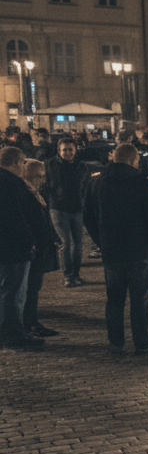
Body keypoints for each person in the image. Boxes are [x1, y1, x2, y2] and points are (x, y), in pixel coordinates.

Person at [86, 144, 148, 354]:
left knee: (114, 300)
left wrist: (100, 240)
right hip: (140, 251)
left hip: (111, 251)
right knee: (139, 301)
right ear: (134, 160)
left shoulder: (97, 183)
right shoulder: (142, 184)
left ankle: (116, 343)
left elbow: (88, 216)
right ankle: (142, 342)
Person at [0, 147, 45, 349]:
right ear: (17, 162)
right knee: (14, 293)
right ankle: (14, 335)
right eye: (23, 163)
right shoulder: (11, 184)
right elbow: (16, 218)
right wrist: (29, 242)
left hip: (7, 247)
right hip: (14, 249)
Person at [44, 137, 92, 287]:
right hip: (58, 208)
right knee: (66, 243)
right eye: (65, 150)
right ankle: (68, 276)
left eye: (70, 149)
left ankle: (75, 274)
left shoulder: (82, 166)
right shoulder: (50, 165)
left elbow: (86, 186)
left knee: (78, 244)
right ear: (59, 151)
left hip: (77, 208)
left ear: (75, 150)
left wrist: (84, 202)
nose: (68, 152)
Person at [20, 159, 60, 338]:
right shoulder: (25, 194)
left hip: (38, 249)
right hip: (32, 250)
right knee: (29, 289)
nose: (43, 180)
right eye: (40, 176)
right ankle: (28, 324)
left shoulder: (34, 192)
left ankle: (31, 322)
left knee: (33, 288)